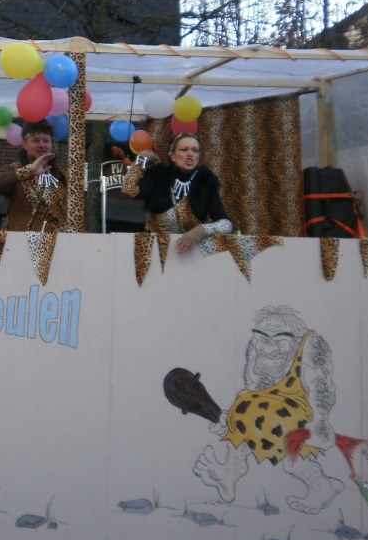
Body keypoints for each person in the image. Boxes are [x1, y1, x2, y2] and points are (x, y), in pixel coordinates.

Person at [193, 305, 343, 515]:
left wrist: (320, 423)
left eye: (279, 340)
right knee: (247, 408)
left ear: (294, 340)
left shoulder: (311, 345)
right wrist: (232, 420)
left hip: (302, 406)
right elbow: (254, 390)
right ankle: (231, 471)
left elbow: (321, 387)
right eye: (264, 338)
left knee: (287, 442)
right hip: (273, 407)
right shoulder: (256, 346)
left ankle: (322, 484)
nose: (269, 347)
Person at [121, 131, 232, 254]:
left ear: (199, 156)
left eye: (195, 150)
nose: (190, 154)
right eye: (184, 149)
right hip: (155, 251)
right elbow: (129, 190)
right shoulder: (158, 175)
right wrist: (141, 161)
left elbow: (226, 224)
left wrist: (200, 231)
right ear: (173, 156)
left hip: (190, 255)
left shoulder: (205, 181)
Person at [0, 119, 67, 232]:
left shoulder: (63, 176)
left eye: (46, 140)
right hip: (23, 241)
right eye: (35, 140)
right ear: (25, 144)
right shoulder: (14, 170)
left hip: (61, 241)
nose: (42, 145)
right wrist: (28, 171)